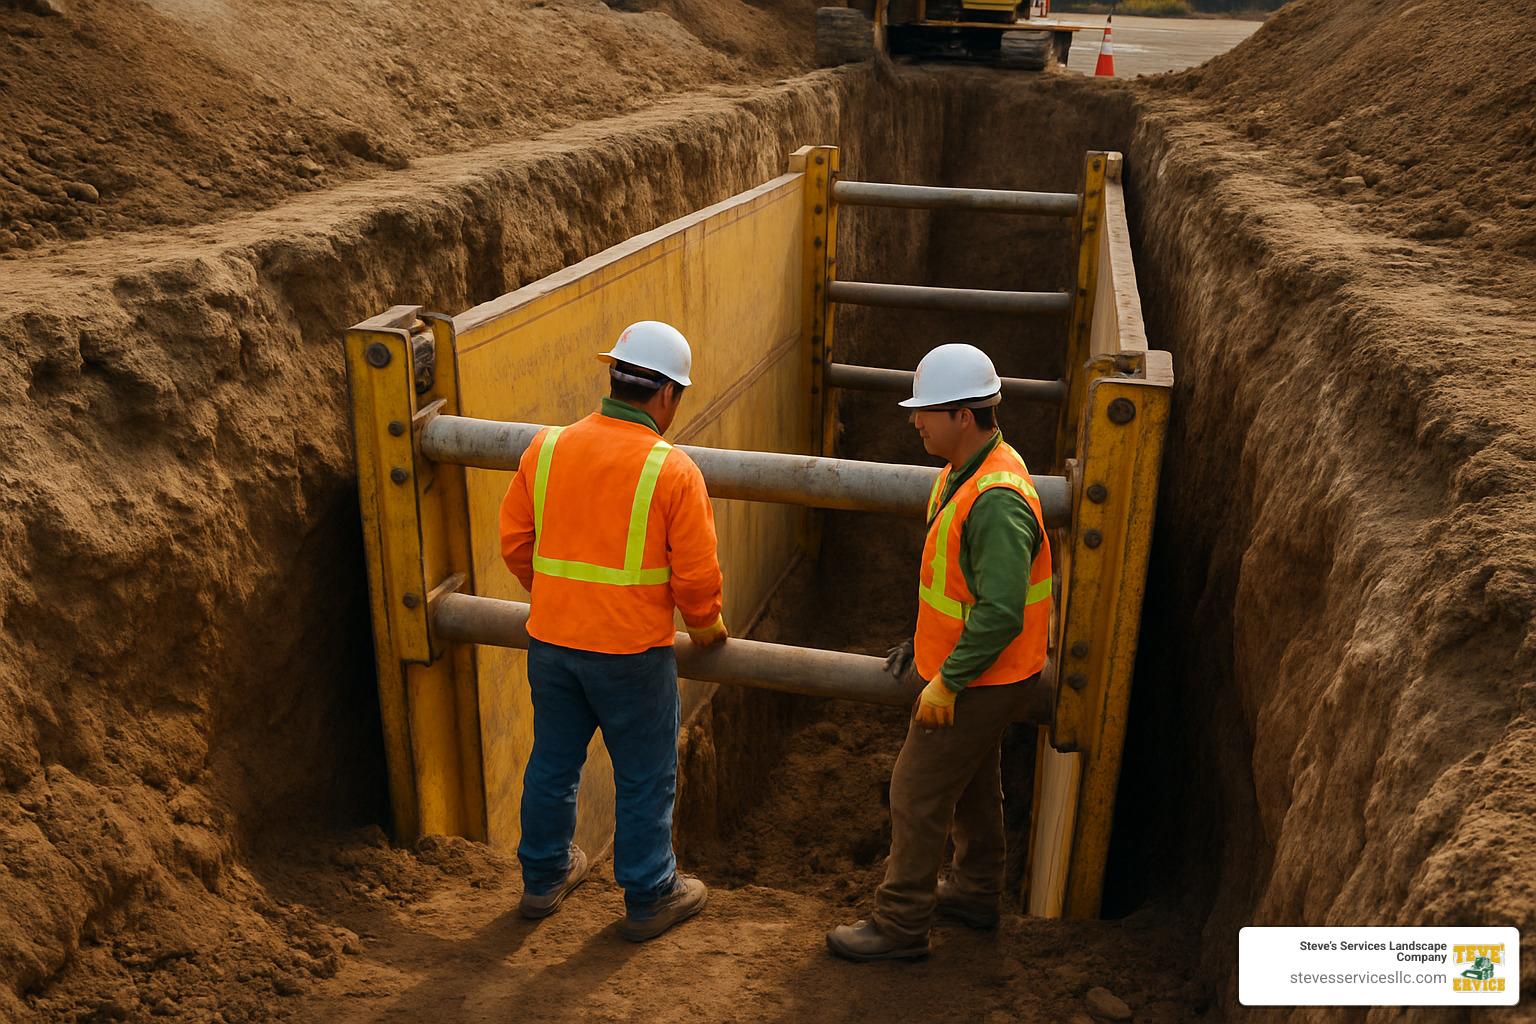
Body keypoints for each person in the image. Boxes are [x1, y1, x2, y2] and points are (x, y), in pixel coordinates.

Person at [499, 320, 728, 942]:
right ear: (667, 397)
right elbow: (696, 573)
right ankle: (651, 891)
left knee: (553, 760)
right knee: (645, 773)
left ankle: (544, 877)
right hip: (630, 654)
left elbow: (516, 543)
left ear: (614, 378)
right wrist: (705, 628)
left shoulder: (545, 448)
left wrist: (558, 597)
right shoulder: (671, 470)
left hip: (551, 641)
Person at [827, 343, 1053, 962]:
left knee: (916, 789)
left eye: (926, 410)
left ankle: (901, 925)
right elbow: (956, 586)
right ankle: (978, 893)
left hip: (985, 676)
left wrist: (948, 680)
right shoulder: (966, 473)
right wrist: (922, 641)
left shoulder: (996, 498)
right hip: (982, 669)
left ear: (964, 416)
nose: (914, 420)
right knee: (975, 781)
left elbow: (1001, 611)